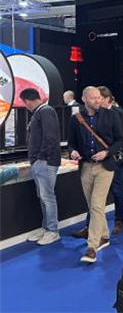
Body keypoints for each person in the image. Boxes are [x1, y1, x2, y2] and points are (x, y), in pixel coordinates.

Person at [68, 86, 123, 263]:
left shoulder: (111, 115)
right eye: (93, 98)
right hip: (85, 167)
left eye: (99, 97)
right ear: (84, 99)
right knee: (93, 206)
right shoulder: (76, 118)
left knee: (97, 205)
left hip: (105, 167)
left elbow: (120, 140)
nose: (97, 100)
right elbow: (71, 143)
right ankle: (105, 236)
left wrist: (106, 153)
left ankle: (92, 247)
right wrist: (72, 152)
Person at [21, 88, 61, 246]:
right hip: (41, 162)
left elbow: (50, 137)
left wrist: (41, 158)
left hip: (45, 162)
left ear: (27, 101)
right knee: (43, 197)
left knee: (47, 198)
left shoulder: (45, 111)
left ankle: (53, 231)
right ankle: (46, 227)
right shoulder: (41, 112)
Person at [98, 86, 123, 235]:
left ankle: (119, 221)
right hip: (99, 159)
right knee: (96, 194)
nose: (97, 101)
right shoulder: (96, 113)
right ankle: (91, 224)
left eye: (99, 98)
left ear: (108, 99)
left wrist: (115, 154)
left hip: (116, 159)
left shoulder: (120, 114)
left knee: (117, 190)